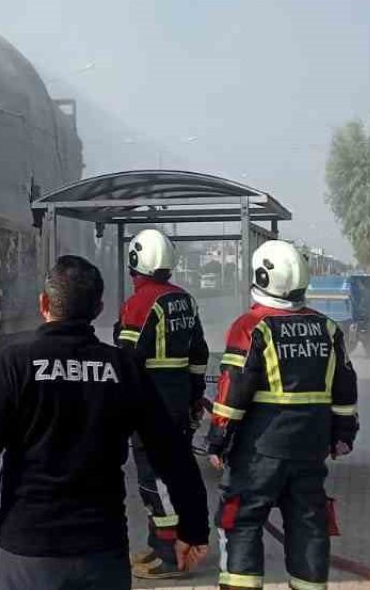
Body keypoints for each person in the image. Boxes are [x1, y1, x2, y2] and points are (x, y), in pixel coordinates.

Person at [0, 255, 210, 590]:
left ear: (43, 303)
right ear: (98, 309)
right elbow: (172, 455)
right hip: (102, 551)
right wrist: (194, 528)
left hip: (27, 552)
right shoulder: (123, 368)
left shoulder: (15, 364)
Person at [205, 240, 359, 590]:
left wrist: (217, 440)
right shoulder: (329, 328)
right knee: (309, 524)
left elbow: (233, 392)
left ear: (262, 277)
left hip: (259, 453)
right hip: (311, 449)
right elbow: (345, 391)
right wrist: (343, 434)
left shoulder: (251, 326)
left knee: (241, 521)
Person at [113, 229, 211, 580]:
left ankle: (170, 555)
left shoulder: (140, 303)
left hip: (150, 404)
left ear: (136, 262)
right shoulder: (184, 299)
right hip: (179, 400)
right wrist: (195, 392)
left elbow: (127, 360)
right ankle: (159, 546)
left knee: (154, 480)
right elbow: (199, 354)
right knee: (175, 473)